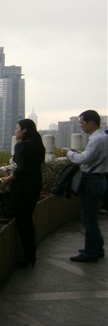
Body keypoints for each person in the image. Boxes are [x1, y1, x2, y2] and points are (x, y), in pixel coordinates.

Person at [61, 110, 108, 263]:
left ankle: (90, 252)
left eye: (82, 123)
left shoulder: (97, 139)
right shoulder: (103, 137)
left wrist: (69, 153)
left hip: (92, 181)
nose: (80, 125)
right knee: (91, 216)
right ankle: (97, 247)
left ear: (91, 123)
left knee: (88, 218)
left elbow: (84, 159)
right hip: (99, 179)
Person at [0, 119, 45, 268]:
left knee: (23, 222)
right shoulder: (37, 145)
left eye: (17, 128)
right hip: (35, 186)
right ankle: (31, 254)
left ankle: (28, 257)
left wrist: (8, 178)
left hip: (23, 188)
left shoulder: (21, 146)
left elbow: (21, 169)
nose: (15, 131)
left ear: (24, 130)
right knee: (28, 221)